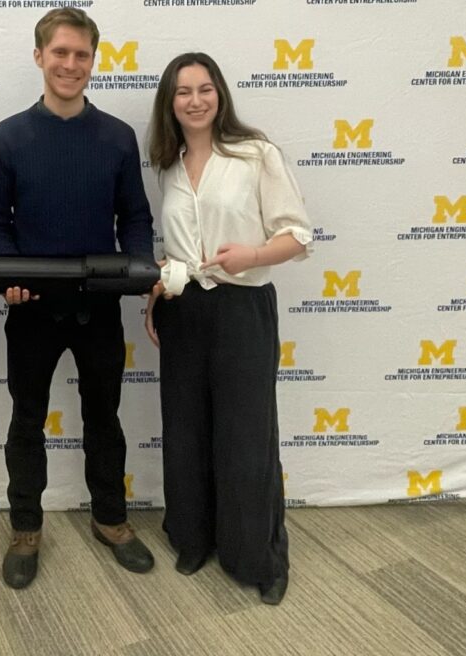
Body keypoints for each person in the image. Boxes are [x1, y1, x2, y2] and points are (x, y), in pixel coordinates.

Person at [0, 7, 156, 589]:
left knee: (104, 418)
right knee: (26, 419)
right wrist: (9, 274)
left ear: (92, 62)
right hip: (30, 307)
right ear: (39, 57)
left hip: (100, 305)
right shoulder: (7, 137)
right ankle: (25, 528)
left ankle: (111, 519)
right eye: (60, 53)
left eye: (81, 55)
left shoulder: (117, 138)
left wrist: (134, 273)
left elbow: (134, 217)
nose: (70, 64)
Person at [144, 53, 312, 605]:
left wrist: (253, 254)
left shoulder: (255, 154)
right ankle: (192, 538)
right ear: (169, 102)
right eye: (183, 91)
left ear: (221, 95)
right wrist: (157, 293)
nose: (195, 100)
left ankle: (257, 557)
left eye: (205, 88)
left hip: (243, 309)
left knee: (246, 438)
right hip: (183, 309)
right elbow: (173, 250)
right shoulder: (166, 164)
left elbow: (298, 236)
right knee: (186, 430)